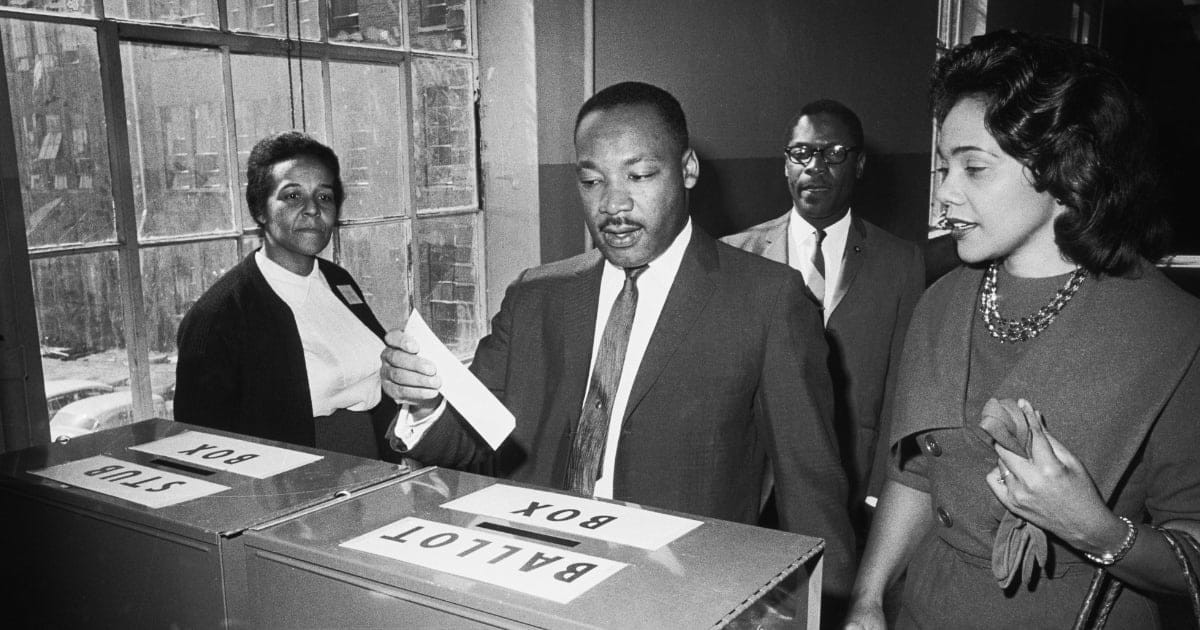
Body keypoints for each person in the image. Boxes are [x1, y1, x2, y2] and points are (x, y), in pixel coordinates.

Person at [381, 81, 857, 601]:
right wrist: (425, 403)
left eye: (641, 174)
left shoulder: (768, 300)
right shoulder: (537, 295)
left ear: (688, 169)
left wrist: (827, 607)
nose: (614, 204)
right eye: (592, 181)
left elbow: (811, 489)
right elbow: (470, 441)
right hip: (534, 579)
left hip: (681, 594)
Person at [845, 31, 1200, 629]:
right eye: (942, 166)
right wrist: (869, 600)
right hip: (926, 610)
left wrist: (1094, 528)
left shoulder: (1171, 332)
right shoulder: (943, 300)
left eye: (973, 168)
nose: (945, 195)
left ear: (1064, 172)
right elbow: (913, 474)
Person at [722, 99, 924, 534]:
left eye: (833, 154)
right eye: (801, 153)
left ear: (860, 164)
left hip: (849, 485)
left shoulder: (901, 263)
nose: (815, 167)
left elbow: (900, 390)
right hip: (754, 485)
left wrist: (878, 493)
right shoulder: (736, 255)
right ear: (785, 164)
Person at [175, 131, 398, 459]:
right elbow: (202, 446)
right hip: (290, 484)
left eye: (324, 197)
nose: (312, 210)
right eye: (293, 196)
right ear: (260, 210)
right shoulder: (217, 316)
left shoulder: (339, 281)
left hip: (375, 466)